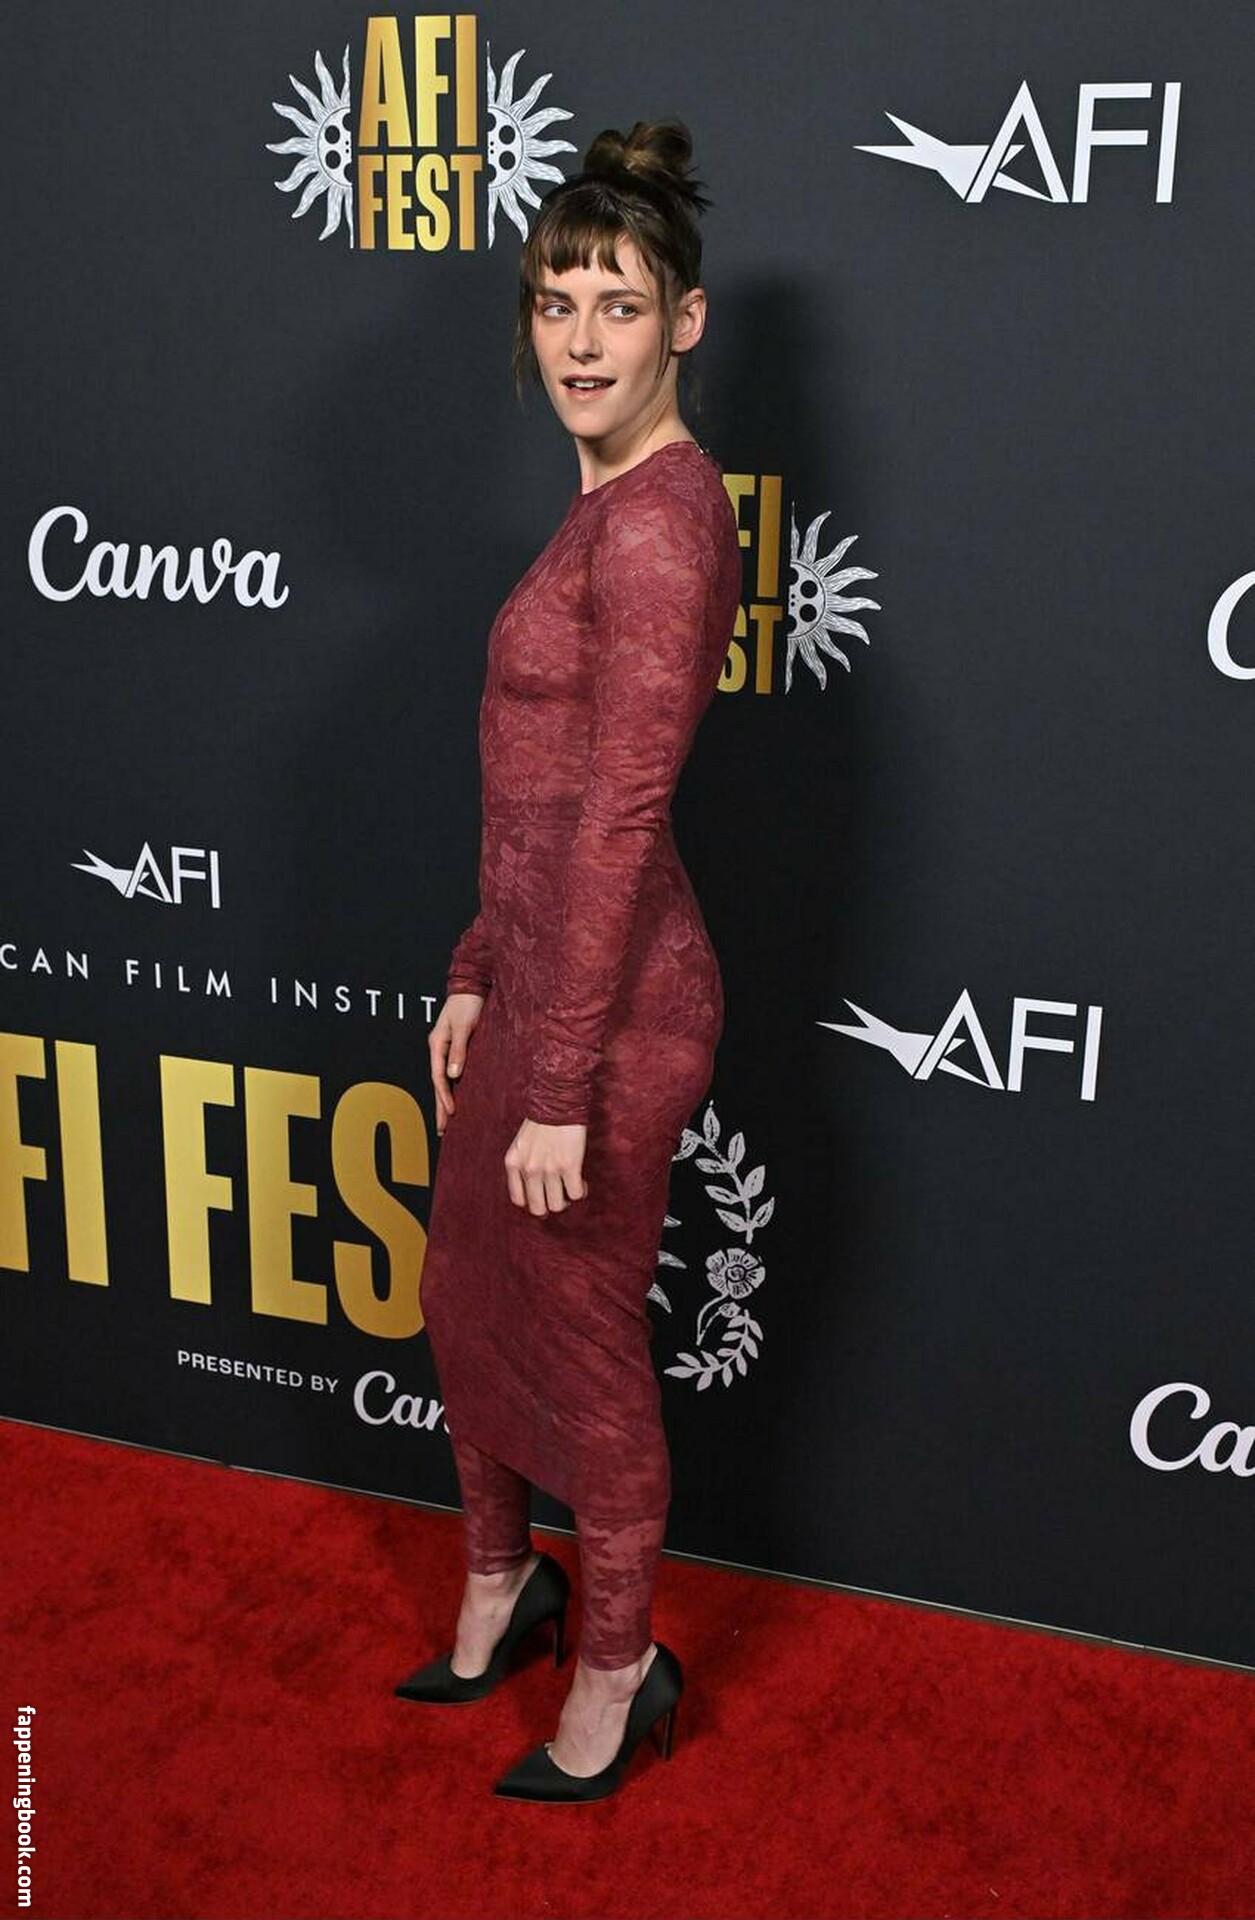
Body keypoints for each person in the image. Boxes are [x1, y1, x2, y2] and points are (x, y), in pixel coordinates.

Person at [398, 118, 742, 1804]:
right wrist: (477, 966)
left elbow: (617, 822)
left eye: (619, 305)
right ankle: (499, 1585)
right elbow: (527, 795)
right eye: (556, 303)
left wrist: (553, 1081)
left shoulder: (664, 526)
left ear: (684, 321)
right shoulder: (600, 504)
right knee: (466, 1301)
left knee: (589, 1354)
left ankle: (618, 1669)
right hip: (534, 988)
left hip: (613, 1022)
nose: (582, 342)